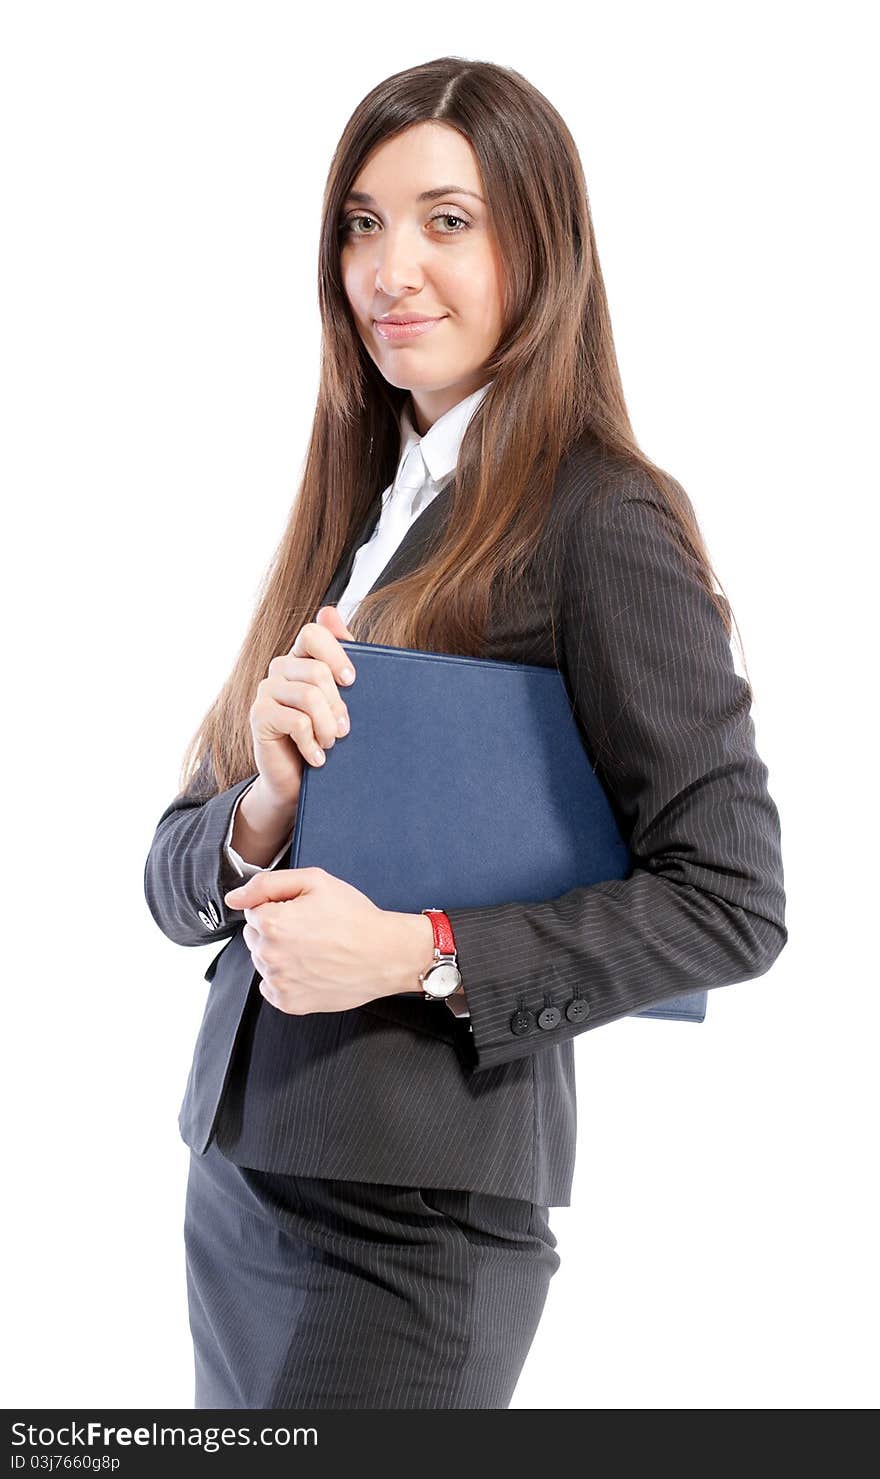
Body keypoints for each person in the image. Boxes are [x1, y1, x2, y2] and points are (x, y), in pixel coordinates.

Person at [143, 56, 787, 1411]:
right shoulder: (362, 508)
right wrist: (257, 804)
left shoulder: (600, 516)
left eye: (448, 220)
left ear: (538, 245)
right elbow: (167, 881)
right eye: (363, 224)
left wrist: (415, 951)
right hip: (242, 1197)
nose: (391, 268)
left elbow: (733, 900)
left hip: (415, 1228)